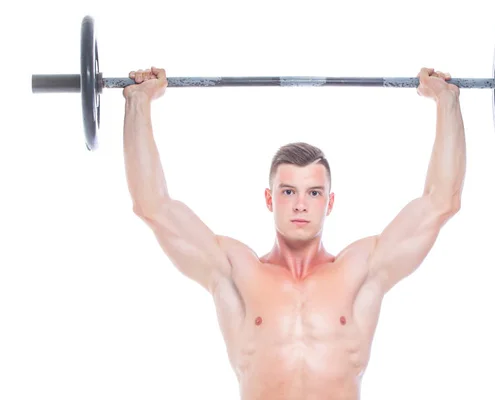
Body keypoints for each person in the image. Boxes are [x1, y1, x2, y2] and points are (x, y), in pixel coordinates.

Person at [122, 66, 466, 400]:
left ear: (329, 202)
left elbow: (441, 203)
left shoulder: (361, 269)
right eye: (289, 192)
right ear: (270, 198)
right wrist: (139, 102)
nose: (301, 204)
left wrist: (446, 102)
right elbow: (153, 205)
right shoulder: (235, 270)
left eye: (313, 193)